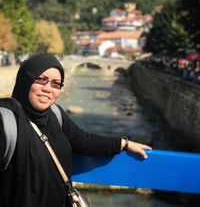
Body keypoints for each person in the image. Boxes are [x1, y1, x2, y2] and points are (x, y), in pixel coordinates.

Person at [0, 54, 152, 207]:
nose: (47, 89)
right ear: (26, 79)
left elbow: (83, 141)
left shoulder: (55, 114)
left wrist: (123, 143)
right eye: (41, 80)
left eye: (55, 84)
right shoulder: (5, 120)